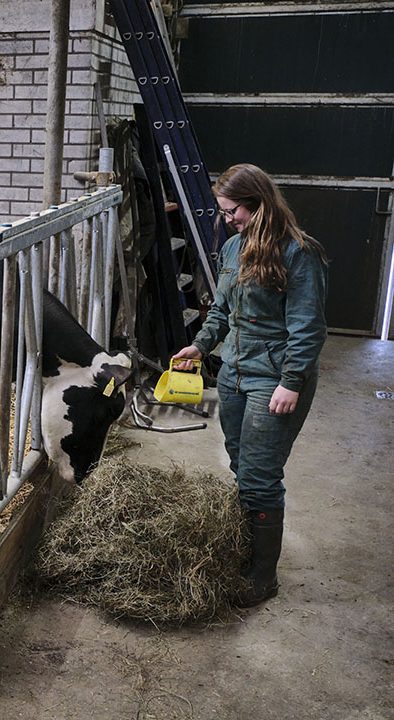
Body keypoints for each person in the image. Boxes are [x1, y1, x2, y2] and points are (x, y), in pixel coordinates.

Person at [173, 163, 328, 607]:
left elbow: (308, 327)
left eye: (232, 210)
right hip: (234, 374)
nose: (227, 219)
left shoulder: (300, 253)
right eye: (222, 213)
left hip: (276, 380)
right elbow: (220, 312)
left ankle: (262, 579)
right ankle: (246, 553)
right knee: (242, 467)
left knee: (260, 478)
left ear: (258, 202)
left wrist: (291, 382)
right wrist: (200, 347)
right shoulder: (234, 248)